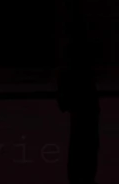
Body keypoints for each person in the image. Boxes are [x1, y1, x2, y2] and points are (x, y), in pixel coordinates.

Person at [56, 42, 100, 184]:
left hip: (82, 115)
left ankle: (80, 175)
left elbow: (64, 102)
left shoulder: (71, 73)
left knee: (80, 146)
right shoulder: (84, 75)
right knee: (86, 146)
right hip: (87, 114)